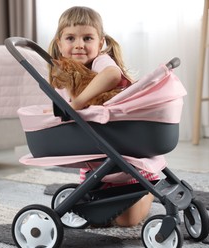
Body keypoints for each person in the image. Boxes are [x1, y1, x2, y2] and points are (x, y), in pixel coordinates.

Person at [48, 6, 158, 227]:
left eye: (87, 38)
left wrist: (77, 103)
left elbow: (112, 75)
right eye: (71, 38)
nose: (79, 44)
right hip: (94, 162)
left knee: (126, 222)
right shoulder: (61, 73)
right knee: (93, 214)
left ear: (100, 44)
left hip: (126, 158)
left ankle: (148, 191)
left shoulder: (101, 62)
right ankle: (105, 193)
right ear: (60, 44)